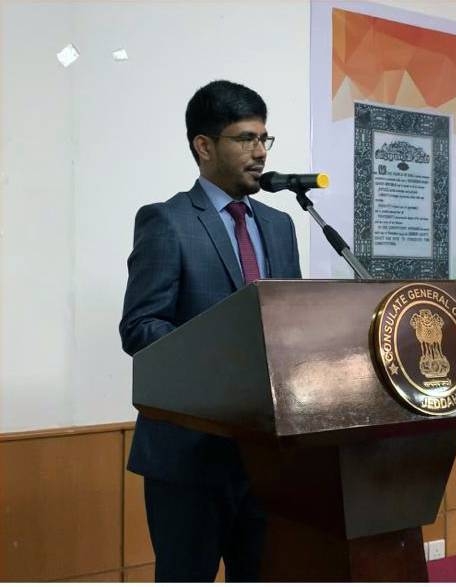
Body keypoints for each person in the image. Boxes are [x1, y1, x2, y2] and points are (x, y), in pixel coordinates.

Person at [119, 80, 301, 581]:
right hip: (187, 458)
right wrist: (221, 359)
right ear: (204, 146)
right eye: (245, 138)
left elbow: (291, 327)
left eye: (265, 138)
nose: (260, 151)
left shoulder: (280, 227)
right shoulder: (168, 222)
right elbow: (139, 328)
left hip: (266, 456)